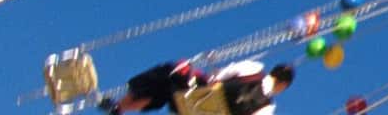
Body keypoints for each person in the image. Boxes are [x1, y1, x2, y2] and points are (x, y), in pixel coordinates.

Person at [99, 59, 292, 115]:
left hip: (196, 99)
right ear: (283, 86)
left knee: (171, 75)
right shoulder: (268, 108)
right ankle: (119, 108)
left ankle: (120, 106)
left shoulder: (255, 68)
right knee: (169, 88)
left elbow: (219, 77)